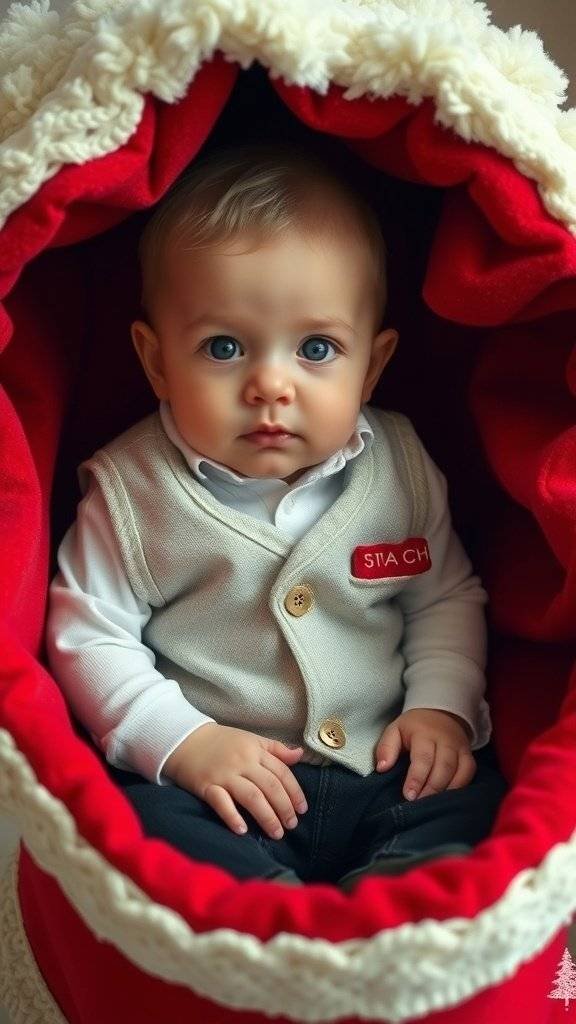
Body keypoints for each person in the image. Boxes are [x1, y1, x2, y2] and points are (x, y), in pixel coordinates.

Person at [45, 142, 507, 890]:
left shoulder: (402, 466)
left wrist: (441, 709)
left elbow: (444, 598)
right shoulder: (132, 489)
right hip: (218, 789)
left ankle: (393, 916)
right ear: (157, 360)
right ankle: (263, 924)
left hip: (384, 765)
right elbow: (86, 631)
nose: (269, 384)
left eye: (317, 348)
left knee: (468, 811)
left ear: (373, 366)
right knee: (141, 831)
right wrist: (183, 742)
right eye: (223, 347)